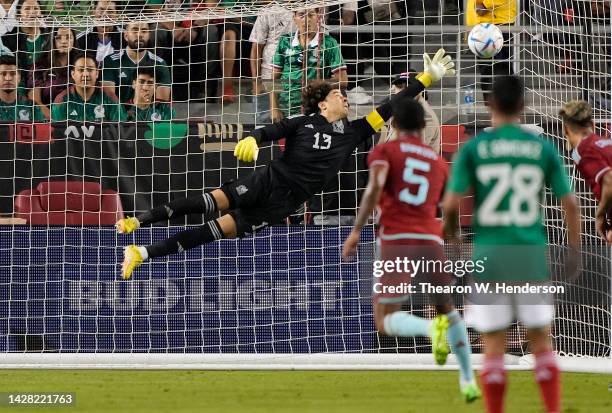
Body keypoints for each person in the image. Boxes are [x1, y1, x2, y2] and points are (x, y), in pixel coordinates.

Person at [115, 48, 455, 280]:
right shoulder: (304, 122)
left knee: (213, 232)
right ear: (322, 105)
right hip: (270, 180)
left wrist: (425, 79)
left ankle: (141, 252)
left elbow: (393, 103)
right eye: (339, 94)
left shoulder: (354, 132)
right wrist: (253, 139)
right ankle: (138, 220)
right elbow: (270, 130)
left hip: (284, 205)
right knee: (210, 202)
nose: (345, 96)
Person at [442, 75, 581, 413]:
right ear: (523, 106)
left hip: (490, 256)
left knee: (492, 347)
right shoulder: (542, 147)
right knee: (541, 341)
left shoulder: (474, 148)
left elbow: (449, 205)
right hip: (530, 255)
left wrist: (453, 234)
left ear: (489, 104)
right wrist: (574, 251)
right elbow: (571, 204)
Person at [341, 98, 480, 402]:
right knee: (448, 308)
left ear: (393, 124)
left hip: (396, 238)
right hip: (431, 237)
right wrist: (452, 234)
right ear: (422, 126)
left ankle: (431, 329)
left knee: (386, 320)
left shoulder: (385, 151)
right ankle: (468, 379)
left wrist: (355, 231)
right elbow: (449, 205)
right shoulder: (438, 162)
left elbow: (374, 188)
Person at [270, 7, 347, 122]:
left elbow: (343, 80)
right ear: (294, 18)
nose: (306, 20)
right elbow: (274, 78)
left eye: (311, 15)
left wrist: (318, 84)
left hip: (319, 108)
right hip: (287, 108)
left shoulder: (330, 43)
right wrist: (274, 108)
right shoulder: (285, 41)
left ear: (318, 17)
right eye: (301, 15)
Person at [560, 100, 612, 244]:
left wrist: (600, 216)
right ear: (593, 125)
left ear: (565, 130)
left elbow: (609, 180)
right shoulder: (605, 143)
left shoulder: (582, 151)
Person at [102, 21, 171, 102]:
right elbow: (109, 96)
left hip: (148, 113)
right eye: (135, 30)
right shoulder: (110, 61)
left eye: (144, 31)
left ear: (149, 35)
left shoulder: (159, 63)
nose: (139, 35)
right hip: (117, 113)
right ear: (126, 35)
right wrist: (123, 114)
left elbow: (162, 102)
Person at [249, 1, 295, 123]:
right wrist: (256, 82)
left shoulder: (309, 11)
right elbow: (256, 48)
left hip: (297, 79)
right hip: (269, 77)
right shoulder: (268, 11)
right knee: (267, 124)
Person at [51, 52, 127, 122]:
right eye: (81, 70)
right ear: (73, 74)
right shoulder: (61, 100)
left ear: (97, 73)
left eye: (90, 70)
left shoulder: (110, 99)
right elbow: (57, 133)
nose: (85, 74)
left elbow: (120, 132)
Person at [466, 0, 516, 104]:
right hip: (481, 23)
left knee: (499, 69)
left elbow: (480, 6)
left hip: (496, 21)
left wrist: (486, 4)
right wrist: (471, 24)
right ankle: (498, 111)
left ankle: (506, 110)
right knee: (488, 70)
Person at [385, 72, 440, 153]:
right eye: (399, 86)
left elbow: (413, 155)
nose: (403, 91)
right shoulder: (401, 108)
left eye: (409, 86)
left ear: (420, 89)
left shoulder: (425, 117)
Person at [30, 27, 75, 118]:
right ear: (52, 41)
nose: (63, 41)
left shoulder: (80, 65)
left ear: (74, 41)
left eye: (68, 37)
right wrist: (54, 118)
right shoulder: (40, 66)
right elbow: (34, 98)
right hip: (49, 119)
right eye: (58, 38)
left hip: (77, 117)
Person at [2, 0, 50, 71]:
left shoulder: (50, 35)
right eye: (27, 9)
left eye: (36, 8)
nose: (32, 12)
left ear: (41, 14)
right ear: (18, 16)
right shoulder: (7, 39)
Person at [0, 54, 46, 121]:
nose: (8, 78)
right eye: (3, 74)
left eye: (13, 74)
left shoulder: (32, 107)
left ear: (19, 77)